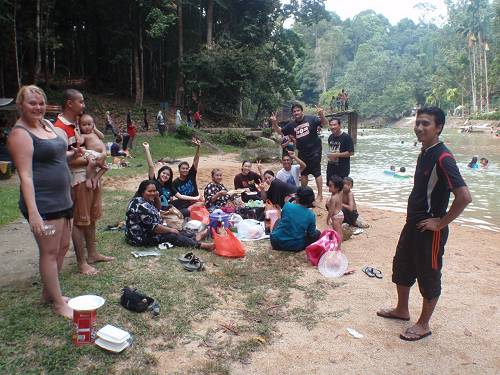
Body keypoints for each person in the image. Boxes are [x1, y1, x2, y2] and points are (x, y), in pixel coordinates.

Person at [377, 107, 472, 341]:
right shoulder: (424, 152)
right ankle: (402, 310)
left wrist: (440, 223)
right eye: (418, 123)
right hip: (413, 224)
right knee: (402, 266)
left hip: (430, 230)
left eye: (426, 124)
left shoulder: (443, 157)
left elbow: (464, 197)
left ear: (438, 127)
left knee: (429, 274)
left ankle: (424, 324)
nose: (419, 128)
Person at [8, 85, 78, 318]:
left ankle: (50, 293)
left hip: (63, 199)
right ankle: (58, 303)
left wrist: (73, 155)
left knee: (62, 247)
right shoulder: (20, 134)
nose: (38, 107)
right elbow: (25, 176)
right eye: (32, 103)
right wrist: (34, 212)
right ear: (20, 105)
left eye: (41, 103)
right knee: (49, 253)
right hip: (44, 202)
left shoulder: (47, 125)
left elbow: (58, 156)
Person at [54, 89, 114, 275]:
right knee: (80, 221)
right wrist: (96, 160)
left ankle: (93, 253)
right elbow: (65, 160)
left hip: (91, 175)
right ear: (69, 103)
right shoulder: (60, 128)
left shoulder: (76, 124)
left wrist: (96, 161)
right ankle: (81, 263)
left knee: (92, 217)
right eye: (81, 102)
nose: (84, 105)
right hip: (79, 179)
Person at [125, 180, 214, 250]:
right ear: (142, 191)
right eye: (149, 191)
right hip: (139, 239)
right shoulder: (141, 205)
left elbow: (157, 209)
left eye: (154, 191)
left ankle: (195, 237)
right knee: (172, 235)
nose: (152, 193)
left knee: (175, 230)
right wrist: (170, 230)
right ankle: (201, 245)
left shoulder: (143, 200)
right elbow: (155, 228)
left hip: (147, 232)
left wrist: (156, 197)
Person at [270, 103, 327, 201]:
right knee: (304, 173)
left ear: (302, 111)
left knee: (316, 172)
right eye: (294, 111)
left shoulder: (312, 119)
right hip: (302, 151)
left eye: (298, 110)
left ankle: (320, 195)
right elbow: (280, 131)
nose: (296, 113)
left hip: (315, 150)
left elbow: (325, 123)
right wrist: (274, 123)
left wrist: (321, 114)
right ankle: (303, 193)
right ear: (293, 114)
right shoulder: (292, 125)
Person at [270, 186, 320, 252]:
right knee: (317, 233)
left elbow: (284, 220)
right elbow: (311, 234)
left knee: (278, 220)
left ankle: (276, 234)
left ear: (297, 197)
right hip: (295, 246)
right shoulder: (311, 215)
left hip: (275, 242)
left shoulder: (287, 205)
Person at [171, 137, 203, 213]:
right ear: (179, 170)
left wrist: (198, 147)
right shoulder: (175, 183)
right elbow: (173, 195)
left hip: (196, 200)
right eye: (183, 168)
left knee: (201, 203)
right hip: (184, 204)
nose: (185, 170)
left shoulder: (191, 175)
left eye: (186, 168)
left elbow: (195, 161)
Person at [78, 114, 108, 189]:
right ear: (80, 126)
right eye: (84, 125)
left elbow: (102, 136)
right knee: (91, 163)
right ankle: (88, 179)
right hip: (91, 152)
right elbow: (80, 141)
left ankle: (95, 179)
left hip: (99, 154)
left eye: (89, 124)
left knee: (105, 167)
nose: (87, 127)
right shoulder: (84, 135)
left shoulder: (95, 133)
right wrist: (76, 134)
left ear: (93, 125)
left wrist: (95, 129)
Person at [326, 118, 354, 182]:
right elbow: (331, 151)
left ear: (340, 125)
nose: (332, 127)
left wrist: (337, 155)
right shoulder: (330, 137)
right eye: (331, 125)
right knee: (331, 187)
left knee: (341, 189)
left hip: (342, 169)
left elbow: (351, 153)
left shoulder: (346, 137)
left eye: (334, 125)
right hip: (331, 167)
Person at [326, 176, 344, 246]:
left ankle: (338, 247)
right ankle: (337, 243)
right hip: (340, 214)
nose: (329, 188)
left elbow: (331, 210)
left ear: (337, 188)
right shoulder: (338, 195)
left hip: (336, 217)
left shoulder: (333, 197)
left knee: (338, 233)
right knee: (338, 231)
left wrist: (328, 219)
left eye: (330, 186)